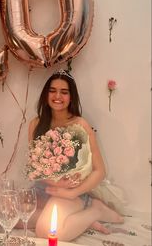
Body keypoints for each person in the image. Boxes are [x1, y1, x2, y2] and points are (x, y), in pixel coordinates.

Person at [28, 69, 124, 242]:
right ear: (45, 94)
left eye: (64, 92)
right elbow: (36, 167)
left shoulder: (80, 124)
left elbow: (99, 171)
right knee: (4, 212)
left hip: (72, 193)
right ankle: (80, 222)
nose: (57, 96)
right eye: (52, 90)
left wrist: (73, 192)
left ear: (71, 97)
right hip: (45, 188)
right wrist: (55, 181)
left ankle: (96, 210)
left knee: (47, 231)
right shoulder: (36, 124)